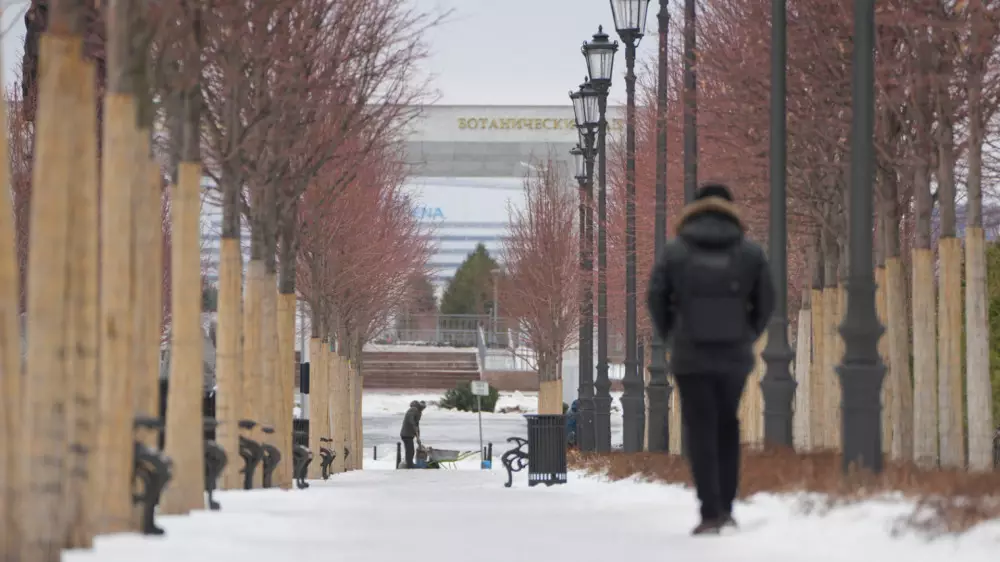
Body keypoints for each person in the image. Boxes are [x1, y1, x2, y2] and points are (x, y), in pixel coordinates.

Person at [646, 183, 775, 536]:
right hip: (733, 353)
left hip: (691, 353)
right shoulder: (750, 253)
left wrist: (671, 333)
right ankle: (728, 507)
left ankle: (710, 511)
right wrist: (747, 332)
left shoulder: (675, 252)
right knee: (727, 424)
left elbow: (656, 297)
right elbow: (767, 302)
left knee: (700, 427)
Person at [400, 400, 426, 468]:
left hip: (409, 434)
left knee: (411, 451)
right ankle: (409, 465)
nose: (423, 409)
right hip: (406, 434)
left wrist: (418, 437)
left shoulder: (418, 412)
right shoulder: (413, 409)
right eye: (422, 408)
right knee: (410, 451)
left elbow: (417, 425)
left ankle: (410, 464)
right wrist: (414, 427)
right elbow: (411, 421)